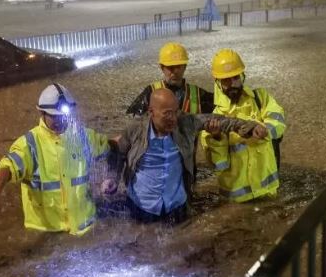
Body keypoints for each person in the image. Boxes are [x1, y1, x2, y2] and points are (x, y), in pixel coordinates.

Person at [102, 88, 257, 224]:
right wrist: (111, 178)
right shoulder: (134, 129)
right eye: (167, 114)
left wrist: (250, 127)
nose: (173, 118)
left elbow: (222, 121)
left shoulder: (185, 123)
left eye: (176, 112)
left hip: (176, 207)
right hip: (141, 207)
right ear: (151, 112)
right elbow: (118, 154)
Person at [0, 83, 114, 235]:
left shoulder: (84, 136)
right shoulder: (29, 144)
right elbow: (6, 168)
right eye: (54, 116)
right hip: (48, 233)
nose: (60, 120)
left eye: (63, 115)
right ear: (41, 113)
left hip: (85, 227)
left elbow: (110, 147)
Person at [203, 49, 286, 203]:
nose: (232, 84)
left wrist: (265, 129)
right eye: (226, 80)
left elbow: (279, 121)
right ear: (218, 83)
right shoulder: (214, 118)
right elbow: (218, 165)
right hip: (237, 201)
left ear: (242, 76)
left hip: (268, 191)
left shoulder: (261, 98)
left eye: (235, 77)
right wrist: (216, 137)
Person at [126, 42, 213, 116]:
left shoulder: (199, 94)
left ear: (185, 67)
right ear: (162, 68)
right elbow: (134, 120)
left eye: (178, 67)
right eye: (170, 67)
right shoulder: (151, 92)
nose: (175, 72)